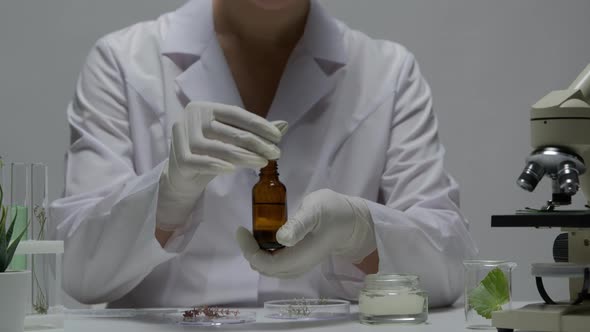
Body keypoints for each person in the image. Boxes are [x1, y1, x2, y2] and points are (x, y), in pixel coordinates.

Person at [49, 0, 477, 308]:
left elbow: (451, 271)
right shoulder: (123, 64)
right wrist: (167, 197)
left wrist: (364, 233)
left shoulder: (389, 74)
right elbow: (79, 275)